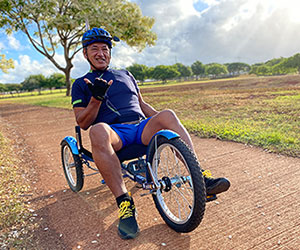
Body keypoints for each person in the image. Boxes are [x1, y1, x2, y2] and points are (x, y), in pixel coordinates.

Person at [71, 27, 230, 239]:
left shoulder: (125, 74)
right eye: (94, 49)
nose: (101, 53)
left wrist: (163, 119)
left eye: (105, 48)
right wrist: (95, 99)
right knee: (97, 130)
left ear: (110, 52)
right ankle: (125, 203)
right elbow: (82, 123)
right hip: (115, 134)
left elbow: (142, 104)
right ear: (85, 53)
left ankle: (199, 177)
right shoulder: (81, 84)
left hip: (140, 127)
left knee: (168, 114)